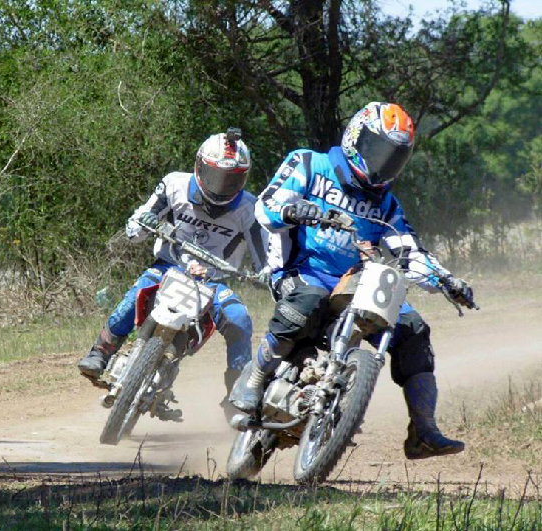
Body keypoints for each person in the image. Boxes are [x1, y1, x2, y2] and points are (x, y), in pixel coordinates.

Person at [229, 102, 476, 459]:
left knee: (414, 329)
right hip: (301, 269)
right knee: (308, 303)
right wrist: (296, 209)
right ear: (355, 138)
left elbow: (408, 249)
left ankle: (423, 429)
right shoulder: (310, 164)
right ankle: (255, 378)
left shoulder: (387, 205)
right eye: (378, 151)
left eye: (394, 158)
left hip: (357, 282)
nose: (383, 163)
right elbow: (265, 207)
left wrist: (447, 281)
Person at [78, 128, 268, 415]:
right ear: (199, 166)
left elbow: (265, 255)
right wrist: (139, 225)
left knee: (240, 321)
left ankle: (237, 394)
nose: (221, 185)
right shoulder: (173, 185)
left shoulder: (250, 209)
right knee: (134, 297)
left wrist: (266, 274)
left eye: (232, 179)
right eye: (216, 176)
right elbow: (142, 217)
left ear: (244, 177)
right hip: (168, 267)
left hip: (214, 282)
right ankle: (101, 352)